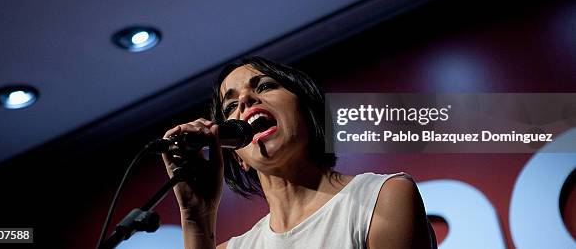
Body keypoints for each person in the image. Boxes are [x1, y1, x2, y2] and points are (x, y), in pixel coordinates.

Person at [163, 57, 436, 248]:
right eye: (230, 105)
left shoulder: (381, 197)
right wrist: (196, 219)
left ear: (308, 114)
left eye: (266, 86)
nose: (245, 100)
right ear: (236, 155)